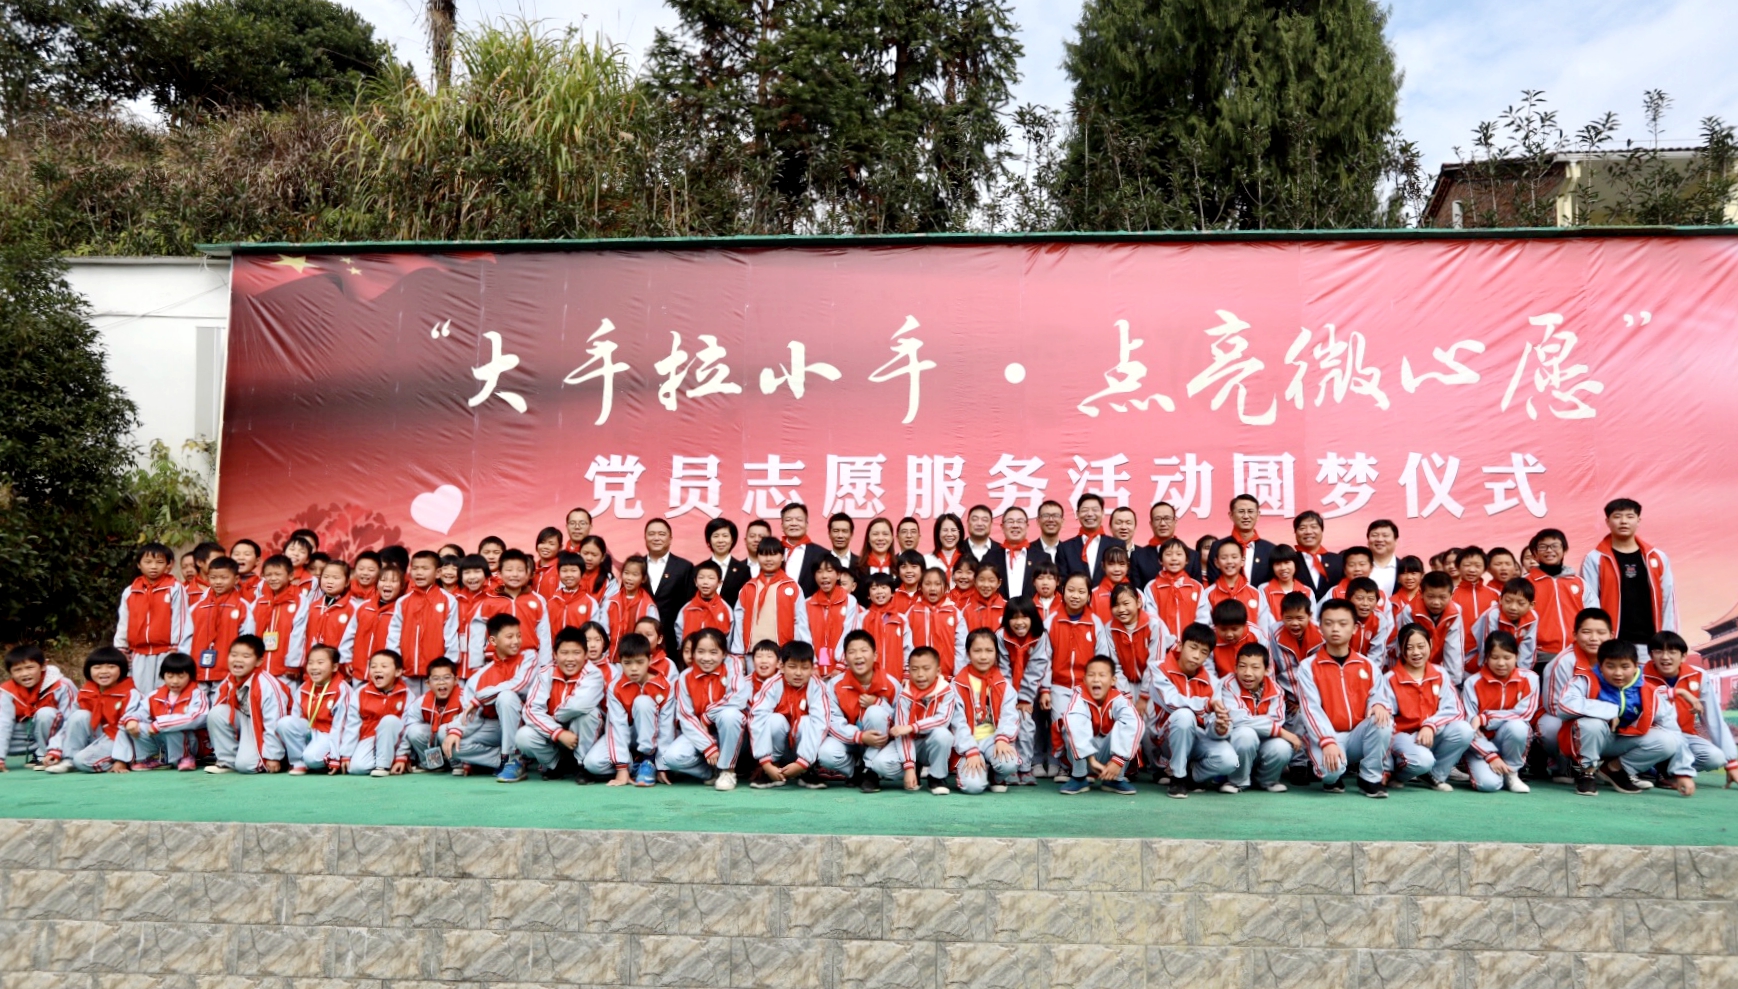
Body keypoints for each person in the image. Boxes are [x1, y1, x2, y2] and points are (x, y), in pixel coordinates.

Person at [1557, 639, 1682, 796]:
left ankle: (1614, 769)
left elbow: (1673, 729)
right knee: (1592, 724)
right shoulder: (1584, 680)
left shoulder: (1649, 690)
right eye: (1610, 666)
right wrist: (1610, 711)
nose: (1618, 673)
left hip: (1622, 741)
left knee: (1668, 741)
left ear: (1636, 666)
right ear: (1600, 666)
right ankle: (1587, 773)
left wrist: (1681, 772)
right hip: (1586, 741)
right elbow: (1564, 706)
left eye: (1625, 667)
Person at [1296, 599, 1394, 797]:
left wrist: (1378, 704)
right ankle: (1333, 777)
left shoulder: (1368, 665)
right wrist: (1327, 740)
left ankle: (1370, 778)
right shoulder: (1308, 667)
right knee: (1330, 773)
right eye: (1329, 623)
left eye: (1342, 623)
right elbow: (1311, 710)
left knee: (1383, 720)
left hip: (1358, 736)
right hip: (1328, 736)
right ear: (1320, 627)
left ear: (1355, 628)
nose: (1335, 629)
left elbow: (1379, 695)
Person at [1580, 498, 1678, 655]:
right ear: (1607, 521)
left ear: (1638, 520)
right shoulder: (1594, 559)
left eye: (1630, 516)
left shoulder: (1657, 557)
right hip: (1613, 645)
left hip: (1652, 645)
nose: (1624, 521)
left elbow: (1668, 601)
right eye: (1617, 516)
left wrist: (1667, 641)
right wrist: (1599, 640)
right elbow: (1589, 604)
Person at [1384, 624, 1474, 792]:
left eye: (1421, 646)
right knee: (1422, 761)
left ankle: (1435, 776)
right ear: (1400, 649)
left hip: (1432, 733)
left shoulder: (1440, 674)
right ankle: (1399, 775)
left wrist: (1431, 725)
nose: (1416, 652)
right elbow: (1387, 720)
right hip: (1404, 737)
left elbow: (1455, 710)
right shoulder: (1390, 679)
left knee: (1464, 730)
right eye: (1409, 647)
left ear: (1430, 644)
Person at [1645, 631, 1738, 792]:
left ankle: (1665, 772)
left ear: (1683, 656)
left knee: (1715, 757)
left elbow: (1714, 720)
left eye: (1672, 652)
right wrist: (1678, 693)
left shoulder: (1699, 675)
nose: (1665, 657)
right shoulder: (1639, 675)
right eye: (1659, 651)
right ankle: (1642, 768)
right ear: (1651, 655)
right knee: (1666, 742)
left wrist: (1732, 763)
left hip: (1684, 735)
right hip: (1649, 736)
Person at [1148, 623, 1232, 797]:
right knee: (1184, 716)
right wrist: (1206, 705)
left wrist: (1219, 728)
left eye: (1203, 652)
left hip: (1195, 738)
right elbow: (1171, 702)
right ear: (1180, 645)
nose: (1196, 656)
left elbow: (1211, 721)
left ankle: (1190, 776)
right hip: (1164, 740)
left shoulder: (1213, 682)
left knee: (1229, 760)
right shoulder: (1159, 669)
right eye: (1193, 647)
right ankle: (1177, 778)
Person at [660, 628, 750, 790]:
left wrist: (707, 716)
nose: (706, 658)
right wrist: (708, 745)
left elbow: (738, 698)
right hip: (702, 733)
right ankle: (711, 772)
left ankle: (728, 771)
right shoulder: (685, 677)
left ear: (724, 654)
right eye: (700, 652)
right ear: (693, 654)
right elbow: (686, 716)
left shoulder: (732, 665)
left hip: (734, 734)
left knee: (730, 715)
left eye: (713, 652)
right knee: (672, 758)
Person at [1044, 573, 1114, 780]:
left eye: (1081, 591)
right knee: (1062, 725)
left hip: (1088, 688)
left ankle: (1086, 768)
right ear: (1062, 591)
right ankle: (1065, 766)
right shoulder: (1051, 621)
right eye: (1071, 590)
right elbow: (1044, 659)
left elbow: (1103, 658)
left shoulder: (1095, 622)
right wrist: (1045, 689)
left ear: (1089, 596)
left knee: (1085, 726)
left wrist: (1102, 687)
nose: (1075, 595)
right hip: (1059, 685)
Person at [453, 614, 536, 780]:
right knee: (451, 741)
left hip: (525, 725)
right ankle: (506, 760)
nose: (516, 641)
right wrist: (455, 730)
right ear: (493, 640)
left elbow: (519, 684)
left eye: (518, 635)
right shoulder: (480, 675)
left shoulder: (529, 657)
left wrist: (480, 698)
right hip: (495, 728)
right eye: (510, 637)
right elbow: (469, 712)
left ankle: (512, 759)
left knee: (506, 697)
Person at [818, 629, 902, 792]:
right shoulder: (835, 685)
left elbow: (901, 720)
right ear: (845, 657)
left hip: (880, 744)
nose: (858, 656)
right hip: (851, 741)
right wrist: (860, 736)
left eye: (864, 650)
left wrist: (878, 703)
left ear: (875, 655)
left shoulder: (891, 684)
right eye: (852, 652)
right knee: (826, 754)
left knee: (875, 712)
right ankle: (856, 771)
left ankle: (871, 771)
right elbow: (832, 721)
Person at [582, 634, 670, 787]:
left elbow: (666, 728)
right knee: (592, 763)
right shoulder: (615, 687)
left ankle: (648, 762)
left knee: (643, 703)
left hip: (653, 740)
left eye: (640, 662)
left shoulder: (664, 685)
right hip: (628, 735)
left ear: (650, 659)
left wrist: (663, 765)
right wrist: (621, 768)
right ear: (620, 662)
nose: (634, 668)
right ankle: (634, 765)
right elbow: (617, 727)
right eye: (627, 663)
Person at [1213, 642, 1298, 793]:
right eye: (1242, 666)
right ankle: (1237, 781)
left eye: (1255, 667)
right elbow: (1236, 719)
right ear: (1235, 667)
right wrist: (1281, 731)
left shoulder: (1276, 690)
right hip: (1233, 742)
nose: (1247, 672)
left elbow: (1277, 721)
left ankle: (1267, 781)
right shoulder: (1227, 684)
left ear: (1267, 670)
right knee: (1246, 734)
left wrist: (1273, 729)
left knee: (1282, 747)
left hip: (1263, 742)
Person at [1461, 630, 1539, 794]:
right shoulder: (1472, 683)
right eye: (1495, 657)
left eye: (1507, 657)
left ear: (1516, 656)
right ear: (1486, 658)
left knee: (1518, 726)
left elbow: (1525, 714)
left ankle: (1512, 773)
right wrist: (1491, 756)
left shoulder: (1530, 679)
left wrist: (1485, 718)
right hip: (1480, 747)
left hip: (1508, 739)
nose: (1501, 663)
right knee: (1488, 785)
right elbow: (1470, 728)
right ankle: (1495, 770)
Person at [749, 641, 832, 789]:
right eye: (792, 667)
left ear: (812, 668)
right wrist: (765, 762)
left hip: (804, 752)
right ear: (781, 667)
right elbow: (757, 719)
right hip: (779, 750)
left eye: (804, 668)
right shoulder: (772, 684)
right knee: (775, 720)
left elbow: (821, 723)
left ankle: (807, 771)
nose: (798, 673)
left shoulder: (817, 687)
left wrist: (803, 762)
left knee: (807, 721)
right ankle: (772, 770)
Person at [514, 627, 593, 781]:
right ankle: (557, 764)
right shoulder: (545, 673)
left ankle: (582, 766)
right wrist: (558, 732)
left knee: (590, 715)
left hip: (580, 733)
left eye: (576, 653)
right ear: (555, 654)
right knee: (523, 736)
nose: (570, 659)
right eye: (564, 653)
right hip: (554, 733)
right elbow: (531, 710)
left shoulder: (593, 674)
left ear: (586, 655)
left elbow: (586, 708)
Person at [39, 646, 135, 773]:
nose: (104, 672)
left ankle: (127, 761)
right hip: (97, 736)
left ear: (122, 669)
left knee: (82, 761)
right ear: (89, 670)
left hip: (117, 739)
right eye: (97, 667)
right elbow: (70, 724)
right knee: (80, 715)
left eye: (111, 667)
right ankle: (69, 760)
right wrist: (55, 750)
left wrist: (122, 759)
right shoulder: (86, 693)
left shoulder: (130, 693)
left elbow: (129, 731)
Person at [205, 635, 290, 775]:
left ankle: (278, 759)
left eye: (246, 656)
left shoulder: (266, 684)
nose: (238, 659)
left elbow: (275, 722)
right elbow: (220, 717)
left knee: (246, 766)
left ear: (259, 661)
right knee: (217, 713)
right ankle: (227, 762)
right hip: (248, 725)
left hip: (265, 729)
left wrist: (273, 756)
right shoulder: (228, 681)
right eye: (234, 655)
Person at [1058, 656, 1140, 796]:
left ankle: (1115, 779)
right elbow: (1075, 723)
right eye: (1091, 675)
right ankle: (1079, 777)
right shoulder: (1079, 696)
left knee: (1128, 725)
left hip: (1111, 761)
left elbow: (1133, 723)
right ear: (1084, 679)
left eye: (1102, 675)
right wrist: (1091, 759)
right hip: (1085, 759)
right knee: (1070, 723)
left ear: (1113, 680)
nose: (1096, 679)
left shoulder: (1119, 698)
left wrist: (1118, 761)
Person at [114, 542, 189, 695]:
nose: (153, 567)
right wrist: (121, 648)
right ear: (139, 565)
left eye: (159, 562)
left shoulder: (175, 588)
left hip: (166, 651)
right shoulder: (130, 591)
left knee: (164, 692)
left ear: (168, 565)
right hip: (139, 652)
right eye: (148, 562)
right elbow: (123, 621)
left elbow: (180, 620)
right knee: (138, 692)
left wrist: (177, 649)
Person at [952, 629, 1020, 794]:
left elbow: (1010, 715)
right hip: (969, 741)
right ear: (968, 653)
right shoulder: (957, 684)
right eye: (977, 651)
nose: (983, 656)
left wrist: (1002, 738)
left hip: (993, 739)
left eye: (989, 651)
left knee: (1009, 762)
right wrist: (970, 750)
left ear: (996, 653)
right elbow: (956, 723)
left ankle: (996, 775)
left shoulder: (1003, 684)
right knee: (973, 787)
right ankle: (977, 772)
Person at [385, 550, 460, 689]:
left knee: (432, 702)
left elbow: (451, 636)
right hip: (406, 672)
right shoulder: (403, 601)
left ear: (438, 573)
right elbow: (394, 634)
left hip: (436, 674)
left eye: (425, 568)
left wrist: (448, 666)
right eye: (415, 568)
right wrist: (395, 662)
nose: (419, 573)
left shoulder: (449, 601)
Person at [888, 646, 957, 795]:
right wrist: (909, 766)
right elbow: (902, 733)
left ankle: (937, 777)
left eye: (926, 669)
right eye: (914, 669)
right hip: (912, 744)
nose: (920, 675)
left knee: (943, 735)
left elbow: (942, 720)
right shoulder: (904, 695)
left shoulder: (947, 691)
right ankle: (915, 770)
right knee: (881, 764)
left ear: (938, 671)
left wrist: (913, 727)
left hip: (931, 744)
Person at [469, 549, 554, 671]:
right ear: (499, 573)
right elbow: (477, 634)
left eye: (520, 570)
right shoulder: (489, 601)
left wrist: (545, 665)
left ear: (527, 573)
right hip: (495, 661)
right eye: (509, 570)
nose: (515, 574)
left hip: (528, 662)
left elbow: (544, 634)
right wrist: (477, 664)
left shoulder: (538, 600)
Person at [183, 556, 255, 697]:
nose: (218, 582)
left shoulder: (242, 607)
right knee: (197, 703)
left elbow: (247, 639)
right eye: (213, 577)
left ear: (236, 579)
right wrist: (185, 663)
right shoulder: (197, 607)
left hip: (227, 669)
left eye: (224, 578)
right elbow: (186, 638)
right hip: (198, 669)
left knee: (221, 704)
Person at [997, 598, 1050, 785]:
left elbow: (1038, 667)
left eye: (1024, 617)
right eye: (1014, 617)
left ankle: (1025, 767)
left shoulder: (1040, 636)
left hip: (1028, 692)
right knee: (1008, 727)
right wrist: (1010, 700)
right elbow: (1002, 669)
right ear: (1007, 619)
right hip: (1004, 694)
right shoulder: (1001, 636)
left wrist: (1025, 699)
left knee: (1027, 726)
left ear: (1033, 618)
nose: (1019, 622)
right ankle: (1010, 768)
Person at [275, 646, 350, 775]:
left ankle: (324, 758)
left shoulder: (342, 689)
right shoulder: (304, 688)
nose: (314, 667)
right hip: (310, 730)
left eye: (320, 663)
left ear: (334, 667)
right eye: (310, 663)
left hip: (329, 734)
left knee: (312, 758)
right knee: (285, 723)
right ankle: (299, 762)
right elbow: (295, 719)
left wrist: (336, 756)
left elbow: (341, 726)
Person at [731, 538, 812, 656]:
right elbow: (739, 621)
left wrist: (800, 652)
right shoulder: (748, 587)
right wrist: (738, 653)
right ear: (757, 557)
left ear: (782, 557)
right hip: (752, 653)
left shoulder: (793, 587)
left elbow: (801, 622)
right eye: (764, 554)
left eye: (773, 554)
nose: (768, 559)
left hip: (783, 654)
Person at [338, 649, 412, 777]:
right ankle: (387, 760)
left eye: (384, 666)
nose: (377, 670)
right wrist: (346, 754)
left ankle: (383, 766)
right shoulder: (361, 692)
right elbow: (352, 725)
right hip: (369, 736)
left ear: (398, 672)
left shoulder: (406, 694)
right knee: (357, 769)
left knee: (389, 720)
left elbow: (407, 728)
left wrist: (402, 756)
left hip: (395, 740)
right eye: (373, 666)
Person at [1, 645, 76, 770]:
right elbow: (3, 723)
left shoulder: (63, 685)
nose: (24, 674)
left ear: (43, 666)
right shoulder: (7, 691)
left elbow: (71, 721)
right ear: (10, 673)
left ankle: (47, 755)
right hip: (28, 735)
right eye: (17, 670)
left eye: (30, 667)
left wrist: (55, 749)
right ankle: (39, 752)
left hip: (60, 736)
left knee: (45, 714)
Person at [1525, 528, 1584, 661]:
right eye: (1543, 547)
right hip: (1539, 657)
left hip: (1576, 655)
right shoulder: (1524, 584)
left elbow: (1592, 615)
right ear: (1535, 553)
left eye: (1555, 546)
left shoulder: (1580, 583)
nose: (1549, 550)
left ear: (1565, 550)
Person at [406, 657, 470, 773]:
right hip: (435, 741)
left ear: (456, 680)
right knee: (414, 730)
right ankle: (434, 764)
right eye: (436, 678)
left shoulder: (464, 698)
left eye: (447, 677)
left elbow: (474, 724)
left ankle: (457, 763)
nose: (441, 682)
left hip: (459, 740)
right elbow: (408, 726)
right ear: (428, 683)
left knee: (444, 730)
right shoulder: (422, 702)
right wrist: (404, 756)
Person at [1399, 571, 1466, 681]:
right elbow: (1407, 647)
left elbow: (1454, 648)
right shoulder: (1410, 611)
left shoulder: (1455, 612)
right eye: (1430, 597)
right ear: (1421, 593)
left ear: (1451, 595)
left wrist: (1453, 682)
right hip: (1414, 666)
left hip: (1439, 665)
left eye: (1442, 597)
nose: (1436, 602)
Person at [1467, 578, 1540, 675]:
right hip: (1474, 663)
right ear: (1500, 599)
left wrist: (1521, 674)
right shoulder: (1493, 615)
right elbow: (1487, 648)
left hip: (1506, 663)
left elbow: (1528, 648)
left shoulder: (1533, 617)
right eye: (1508, 601)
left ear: (1531, 605)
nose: (1513, 607)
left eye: (1521, 603)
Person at [641, 518, 693, 651]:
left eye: (661, 534)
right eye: (651, 534)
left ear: (670, 539)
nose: (656, 538)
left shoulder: (684, 567)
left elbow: (690, 605)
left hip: (672, 638)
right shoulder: (635, 565)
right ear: (645, 537)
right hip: (639, 638)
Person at [805, 557, 861, 676]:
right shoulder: (807, 604)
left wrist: (841, 665)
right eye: (819, 571)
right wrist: (812, 664)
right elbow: (805, 636)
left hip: (843, 670)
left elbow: (851, 633)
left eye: (829, 571)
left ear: (838, 575)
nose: (824, 576)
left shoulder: (849, 601)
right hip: (814, 672)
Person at [301, 560, 359, 675]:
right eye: (326, 577)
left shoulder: (354, 608)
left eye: (336, 578)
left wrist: (347, 661)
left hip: (340, 669)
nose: (330, 581)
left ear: (347, 582)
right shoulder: (312, 606)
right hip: (312, 668)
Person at [906, 568, 966, 677]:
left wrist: (958, 675)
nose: (932, 588)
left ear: (946, 587)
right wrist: (908, 672)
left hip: (948, 677)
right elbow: (905, 645)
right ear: (920, 587)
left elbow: (961, 645)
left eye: (938, 584)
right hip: (918, 676)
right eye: (927, 584)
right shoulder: (913, 612)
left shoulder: (954, 613)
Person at [1057, 494, 1125, 587]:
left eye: (1095, 510)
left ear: (1103, 513)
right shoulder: (1065, 548)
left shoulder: (1117, 544)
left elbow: (1123, 577)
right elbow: (1062, 581)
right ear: (1077, 514)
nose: (1090, 514)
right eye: (1085, 510)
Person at [1143, 538, 1204, 639]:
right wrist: (1168, 641)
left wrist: (1192, 639)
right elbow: (1152, 617)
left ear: (1187, 560)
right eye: (1168, 554)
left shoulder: (1196, 587)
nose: (1174, 558)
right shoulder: (1152, 587)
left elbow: (1203, 617)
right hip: (1163, 643)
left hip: (1191, 642)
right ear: (1160, 560)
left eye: (1179, 554)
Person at [351, 564, 403, 681]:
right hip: (359, 671)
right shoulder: (364, 607)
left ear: (402, 586)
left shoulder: (401, 611)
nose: (387, 584)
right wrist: (347, 659)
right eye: (383, 580)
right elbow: (350, 635)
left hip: (385, 675)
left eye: (393, 581)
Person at [1209, 495, 1275, 586]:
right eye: (1241, 511)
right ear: (1231, 515)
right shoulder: (1217, 546)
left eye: (1250, 511)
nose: (1246, 516)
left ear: (1258, 515)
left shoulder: (1270, 549)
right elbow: (1214, 580)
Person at [860, 575, 914, 677]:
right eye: (874, 588)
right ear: (868, 595)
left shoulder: (901, 619)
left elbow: (907, 648)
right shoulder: (861, 618)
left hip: (895, 676)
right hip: (868, 677)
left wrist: (907, 672)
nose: (879, 591)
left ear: (892, 592)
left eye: (884, 587)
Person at [701, 518, 754, 609]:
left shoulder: (743, 570)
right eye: (716, 536)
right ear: (709, 540)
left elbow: (747, 602)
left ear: (732, 539)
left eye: (725, 536)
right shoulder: (699, 569)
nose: (720, 540)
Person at [1208, 600, 1267, 679]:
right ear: (1215, 626)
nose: (1229, 634)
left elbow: (1267, 665)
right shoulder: (1210, 638)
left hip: (1253, 682)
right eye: (1223, 629)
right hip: (1221, 683)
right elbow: (1208, 670)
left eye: (1234, 629)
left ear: (1244, 625)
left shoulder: (1256, 634)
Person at [1291, 510, 1342, 600]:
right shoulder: (1289, 561)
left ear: (1322, 530)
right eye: (1302, 528)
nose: (1308, 532)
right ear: (1295, 532)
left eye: (1313, 527)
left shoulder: (1338, 560)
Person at [780, 503, 825, 597]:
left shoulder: (821, 554)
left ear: (806, 525)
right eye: (788, 520)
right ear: (782, 525)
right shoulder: (773, 552)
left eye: (799, 520)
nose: (793, 523)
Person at [990, 507, 1036, 599]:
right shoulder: (990, 557)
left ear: (1027, 526)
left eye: (1020, 521)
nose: (1015, 525)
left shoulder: (1042, 558)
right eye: (1010, 521)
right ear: (1002, 527)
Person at [1366, 520, 1401, 595]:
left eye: (1385, 536)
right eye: (1374, 535)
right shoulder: (1356, 567)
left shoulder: (1404, 568)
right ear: (1368, 540)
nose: (1379, 539)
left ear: (1396, 540)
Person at [1031, 500, 1067, 568]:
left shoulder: (1069, 551)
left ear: (1062, 521)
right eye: (1046, 515)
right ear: (1038, 521)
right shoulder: (1028, 550)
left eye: (1056, 516)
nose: (1051, 520)